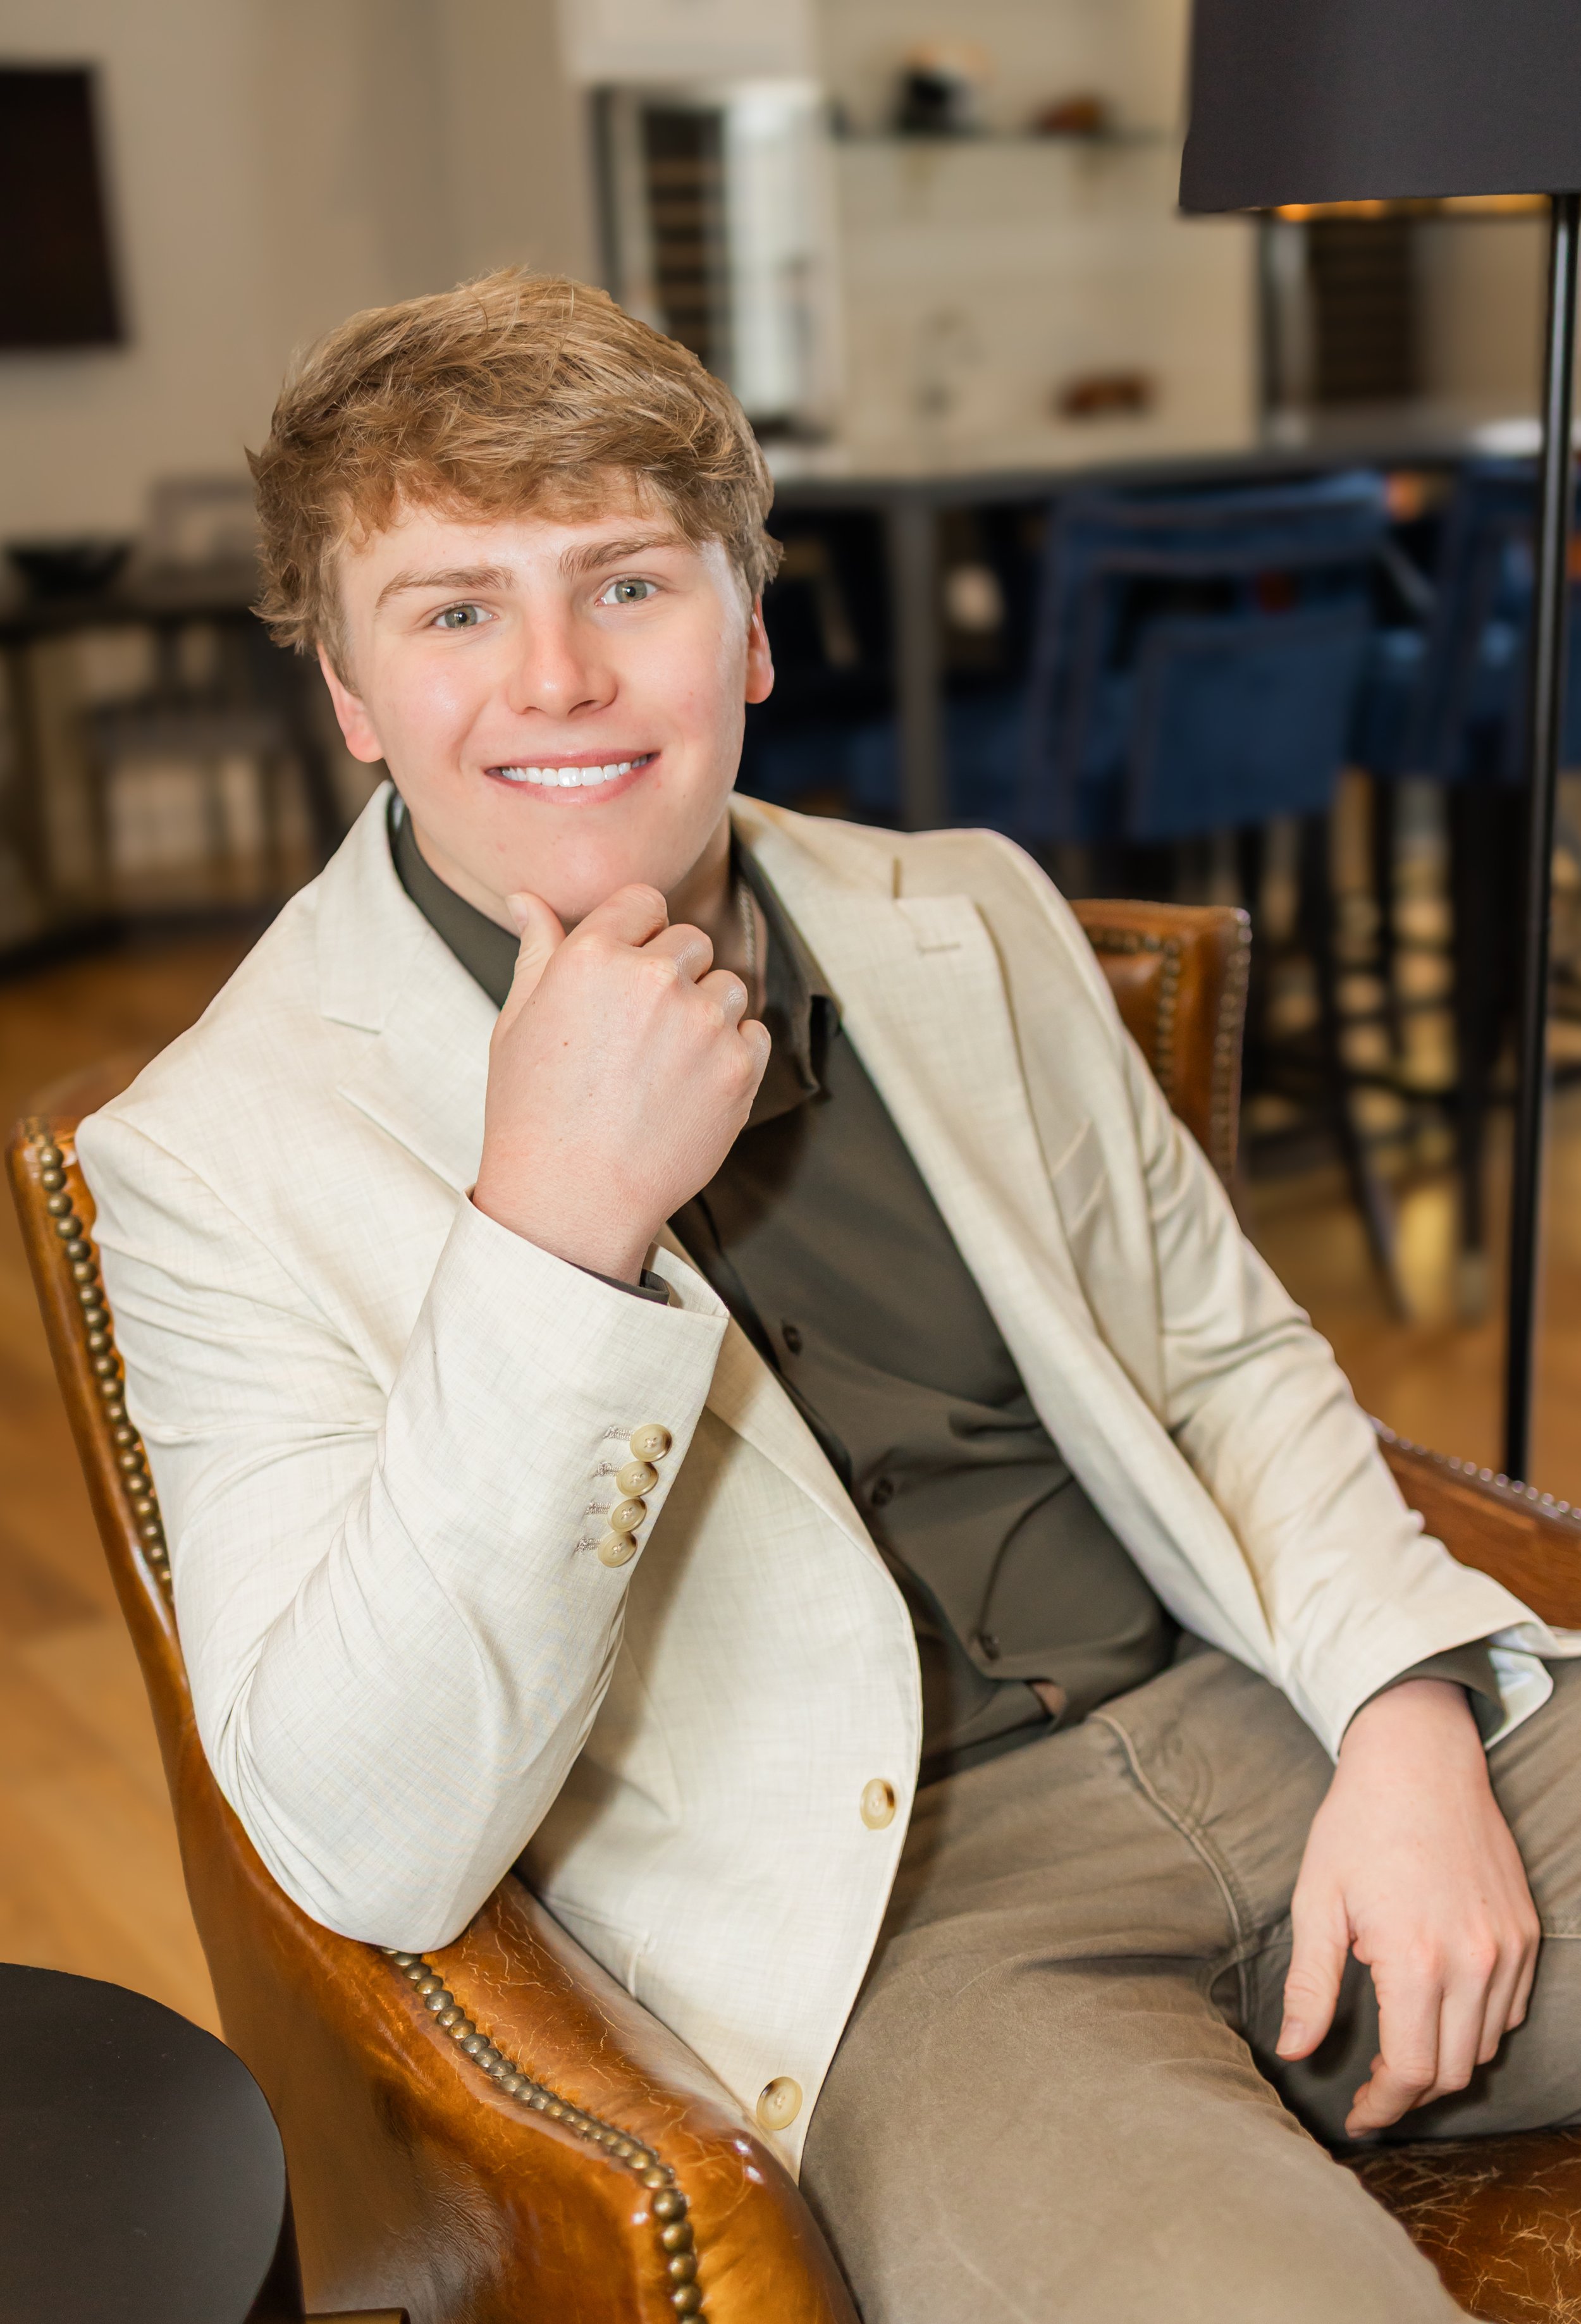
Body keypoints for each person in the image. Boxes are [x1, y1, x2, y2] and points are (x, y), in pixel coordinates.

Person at [78, 271, 1581, 2323]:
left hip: (1285, 1712)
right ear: (347, 692)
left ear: (751, 628)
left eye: (627, 585)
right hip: (912, 1943)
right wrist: (551, 1232)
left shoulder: (960, 906)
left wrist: (1406, 1724)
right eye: (452, 610)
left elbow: (1226, 1361)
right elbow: (368, 1841)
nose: (556, 681)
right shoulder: (208, 1159)